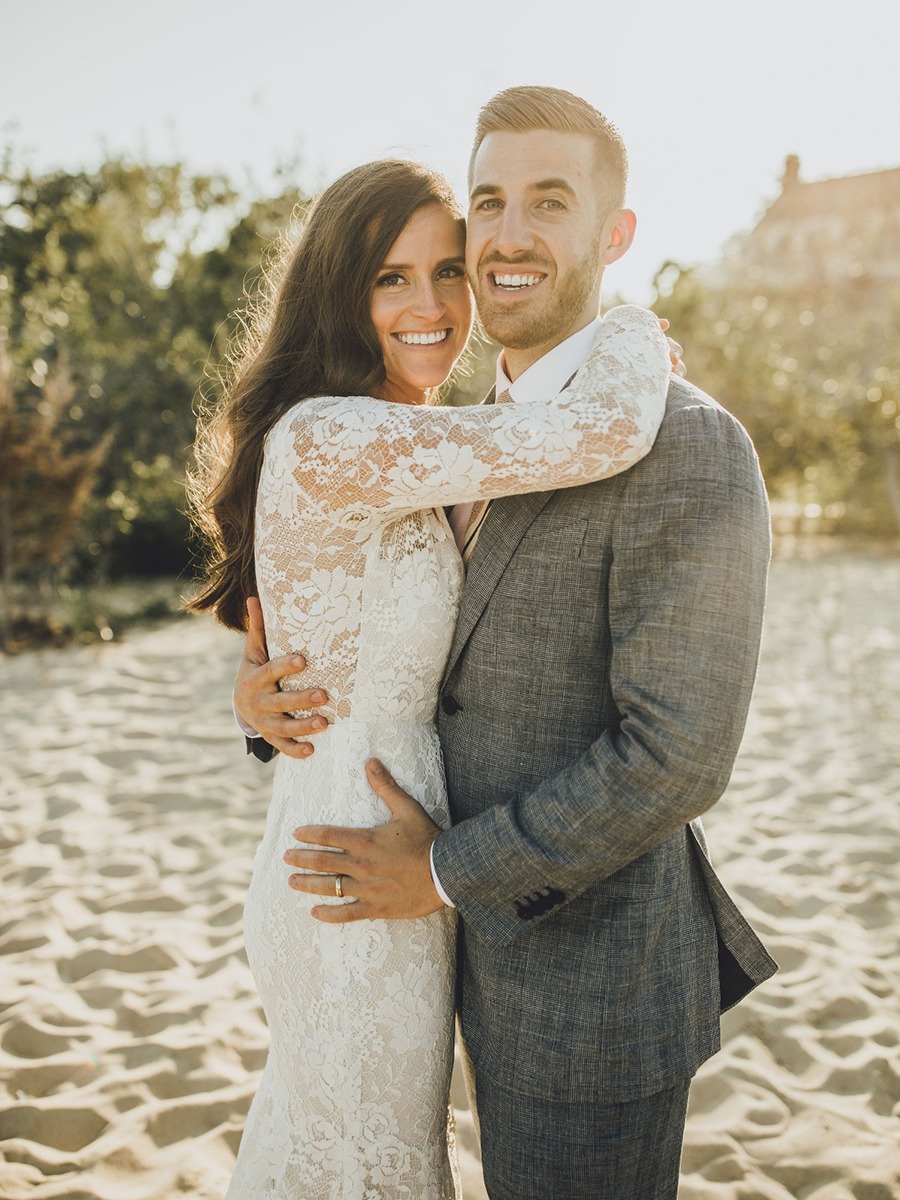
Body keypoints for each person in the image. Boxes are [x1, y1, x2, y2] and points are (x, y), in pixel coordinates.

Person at [236, 87, 777, 1199]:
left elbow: (677, 754)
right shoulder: (446, 436)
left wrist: (441, 871)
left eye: (550, 202)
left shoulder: (689, 446)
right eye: (490, 205)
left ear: (613, 234)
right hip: (388, 908)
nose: (505, 240)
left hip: (581, 978)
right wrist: (262, 701)